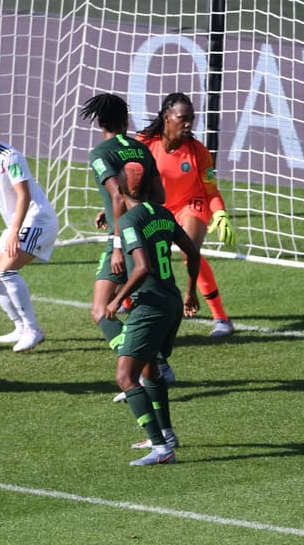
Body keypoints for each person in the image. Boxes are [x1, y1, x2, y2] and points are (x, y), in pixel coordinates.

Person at [104, 161, 201, 466]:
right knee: (150, 369)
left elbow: (143, 267)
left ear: (118, 189)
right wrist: (190, 291)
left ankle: (160, 447)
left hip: (150, 306)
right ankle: (167, 435)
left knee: (125, 376)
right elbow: (193, 251)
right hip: (171, 300)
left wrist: (116, 299)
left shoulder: (131, 220)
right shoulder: (162, 213)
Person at [79, 93, 173, 402]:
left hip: (124, 239)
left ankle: (146, 366)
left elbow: (118, 195)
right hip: (147, 231)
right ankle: (151, 366)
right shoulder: (141, 149)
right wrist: (111, 210)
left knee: (100, 311)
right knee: (136, 304)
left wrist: (118, 245)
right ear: (125, 119)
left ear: (100, 122)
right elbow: (157, 195)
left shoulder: (100, 153)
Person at [137, 92, 238, 337]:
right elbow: (127, 179)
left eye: (191, 118)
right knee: (137, 248)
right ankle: (130, 302)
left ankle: (220, 317)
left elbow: (211, 190)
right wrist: (111, 206)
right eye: (183, 118)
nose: (189, 124)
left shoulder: (198, 151)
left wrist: (221, 213)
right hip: (159, 207)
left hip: (190, 205)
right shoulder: (144, 143)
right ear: (166, 117)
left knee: (190, 250)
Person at [0, 100, 58, 353]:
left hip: (38, 219)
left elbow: (24, 195)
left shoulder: (10, 157)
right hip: (18, 221)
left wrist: (13, 232)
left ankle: (33, 329)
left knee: (6, 271)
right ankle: (19, 327)